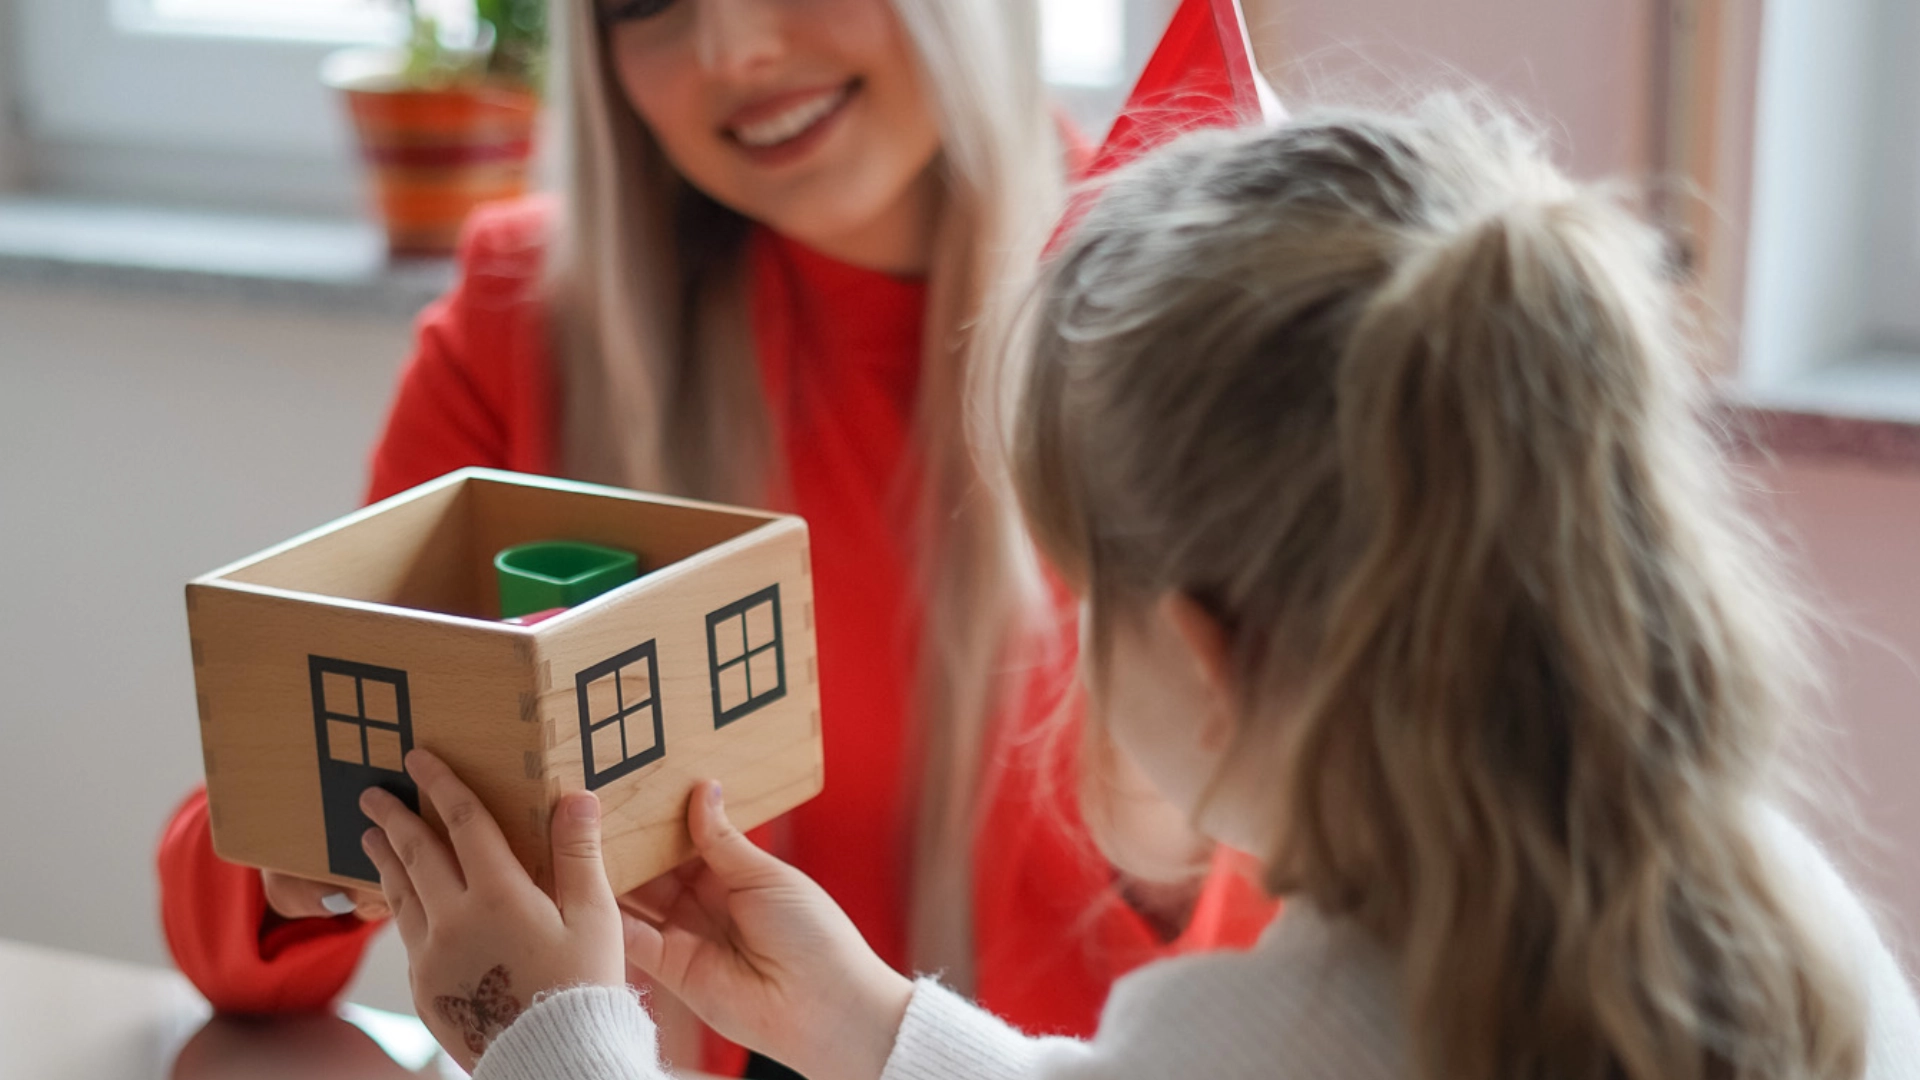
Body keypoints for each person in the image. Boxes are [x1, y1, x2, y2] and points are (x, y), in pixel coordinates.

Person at [360, 97, 1920, 1079]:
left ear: (1200, 652)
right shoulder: (1774, 908)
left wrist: (555, 1038)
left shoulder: (1290, 1030)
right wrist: (873, 1032)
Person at [156, 0, 1270, 1068]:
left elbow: (1317, 973)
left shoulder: (1206, 316)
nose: (732, 46)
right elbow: (239, 935)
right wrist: (304, 845)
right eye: (645, 0)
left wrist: (1173, 853)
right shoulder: (524, 329)